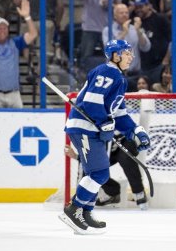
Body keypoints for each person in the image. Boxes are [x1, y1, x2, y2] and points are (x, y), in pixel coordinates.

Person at [59, 39, 150, 235]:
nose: (131, 57)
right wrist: (103, 122)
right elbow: (92, 102)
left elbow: (119, 113)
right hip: (84, 128)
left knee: (98, 173)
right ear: (116, 56)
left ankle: (86, 211)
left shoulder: (118, 77)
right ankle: (74, 209)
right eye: (127, 53)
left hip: (91, 129)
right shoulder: (107, 72)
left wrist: (135, 131)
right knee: (99, 173)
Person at [64, 136, 149, 210]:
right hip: (104, 148)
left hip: (122, 143)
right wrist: (76, 156)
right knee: (93, 167)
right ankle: (112, 191)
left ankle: (139, 193)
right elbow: (87, 159)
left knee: (125, 157)